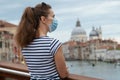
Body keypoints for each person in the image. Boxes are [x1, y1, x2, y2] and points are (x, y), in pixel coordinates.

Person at [14, 2, 69, 80]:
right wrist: (65, 71)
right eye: (53, 16)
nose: (55, 20)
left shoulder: (24, 44)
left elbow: (33, 69)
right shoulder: (53, 44)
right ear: (43, 19)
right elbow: (63, 74)